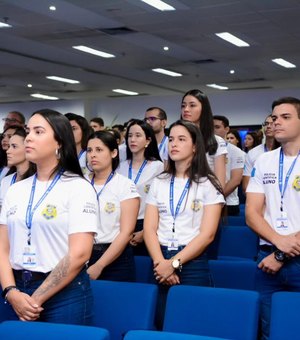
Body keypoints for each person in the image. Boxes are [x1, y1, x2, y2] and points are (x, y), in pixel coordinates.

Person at [0, 109, 98, 325]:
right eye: (28, 131)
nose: (29, 138)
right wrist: (11, 292)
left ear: (59, 142)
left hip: (64, 295)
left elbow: (79, 254)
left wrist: (35, 300)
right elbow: (2, 247)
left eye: (38, 131)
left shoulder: (79, 188)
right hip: (16, 290)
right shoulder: (15, 189)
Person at [144, 120, 225, 327]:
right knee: (161, 323)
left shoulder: (208, 184)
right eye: (171, 139)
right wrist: (160, 264)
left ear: (195, 146)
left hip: (192, 263)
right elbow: (149, 229)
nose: (174, 144)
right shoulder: (159, 182)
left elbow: (207, 235)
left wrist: (173, 264)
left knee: (191, 324)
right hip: (159, 259)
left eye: (181, 139)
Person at [246, 97, 300, 339]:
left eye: (285, 117)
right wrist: (278, 244)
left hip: (285, 257)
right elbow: (252, 213)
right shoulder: (264, 160)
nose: (277, 122)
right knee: (269, 330)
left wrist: (281, 253)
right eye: (274, 117)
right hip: (266, 260)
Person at [85, 131, 140, 282]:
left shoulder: (125, 185)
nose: (93, 155)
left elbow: (126, 232)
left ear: (114, 153)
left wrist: (100, 265)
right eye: (89, 150)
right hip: (83, 253)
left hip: (116, 257)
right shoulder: (79, 184)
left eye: (99, 150)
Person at [117, 119, 164, 256]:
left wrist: (144, 232)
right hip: (122, 224)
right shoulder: (120, 166)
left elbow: (161, 203)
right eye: (130, 136)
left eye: (138, 135)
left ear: (148, 140)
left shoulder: (157, 167)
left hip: (146, 223)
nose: (132, 139)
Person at [180, 89, 227, 188]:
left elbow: (220, 183)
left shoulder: (217, 141)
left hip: (206, 197)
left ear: (203, 109)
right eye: (183, 106)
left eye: (192, 105)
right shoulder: (175, 140)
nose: (186, 109)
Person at [213, 115, 245, 216]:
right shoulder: (203, 149)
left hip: (229, 203)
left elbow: (235, 180)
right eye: (211, 127)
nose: (213, 130)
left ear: (227, 129)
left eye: (217, 127)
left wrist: (217, 198)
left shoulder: (236, 151)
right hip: (206, 202)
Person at [0, 128, 36, 210]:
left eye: (14, 146)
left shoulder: (37, 180)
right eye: (9, 146)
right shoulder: (5, 181)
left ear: (28, 149)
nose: (8, 151)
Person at [243, 115, 280, 191]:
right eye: (266, 124)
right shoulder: (253, 153)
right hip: (259, 197)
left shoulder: (286, 150)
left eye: (272, 123)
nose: (268, 126)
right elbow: (246, 186)